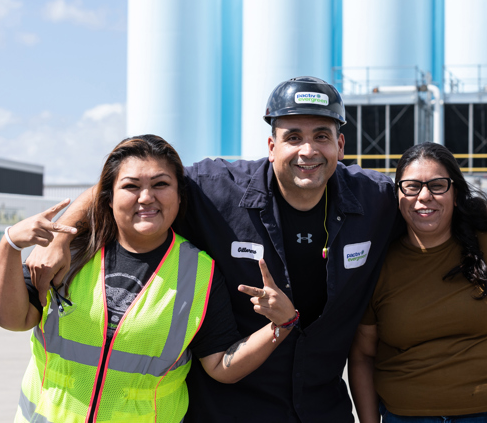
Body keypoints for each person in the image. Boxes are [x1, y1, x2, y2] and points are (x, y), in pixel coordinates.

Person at [24, 77, 403, 422]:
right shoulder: (218, 190)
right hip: (226, 410)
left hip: (323, 411)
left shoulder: (377, 199)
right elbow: (127, 182)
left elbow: (436, 216)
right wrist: (61, 236)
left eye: (321, 136)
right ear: (271, 146)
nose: (308, 150)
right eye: (293, 137)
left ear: (340, 144)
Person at [0, 135, 297, 423]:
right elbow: (13, 319)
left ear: (179, 197)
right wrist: (10, 245)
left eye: (161, 184)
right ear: (108, 198)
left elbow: (220, 366)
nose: (146, 197)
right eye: (131, 186)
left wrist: (279, 327)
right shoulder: (70, 252)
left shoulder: (199, 272)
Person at [349, 142, 487, 422]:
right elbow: (363, 355)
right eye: (411, 186)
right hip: (407, 417)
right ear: (397, 195)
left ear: (456, 193)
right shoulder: (378, 262)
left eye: (437, 185)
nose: (424, 196)